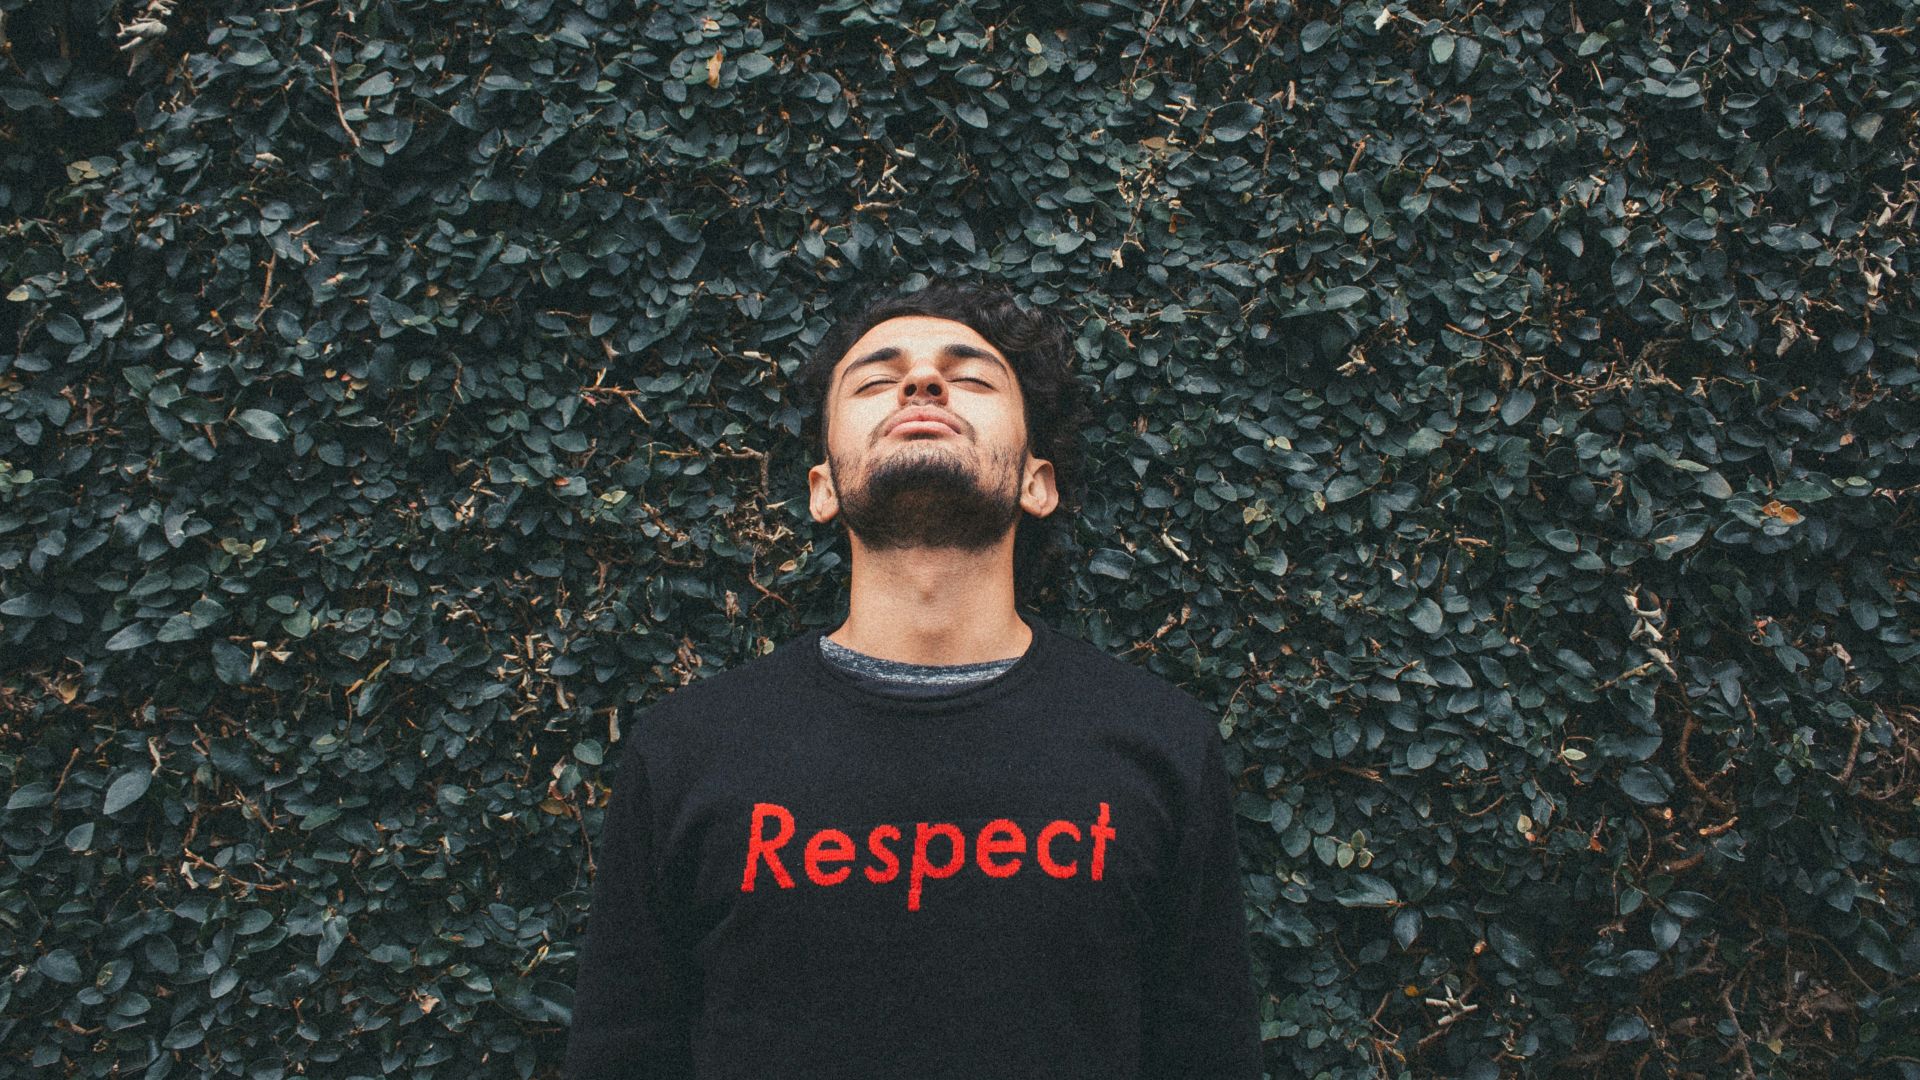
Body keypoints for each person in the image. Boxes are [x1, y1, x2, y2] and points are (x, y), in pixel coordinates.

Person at [562, 280, 1264, 1079]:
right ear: (823, 487)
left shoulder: (1161, 742)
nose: (922, 383)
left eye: (969, 377)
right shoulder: (688, 749)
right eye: (874, 379)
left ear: (1039, 481)